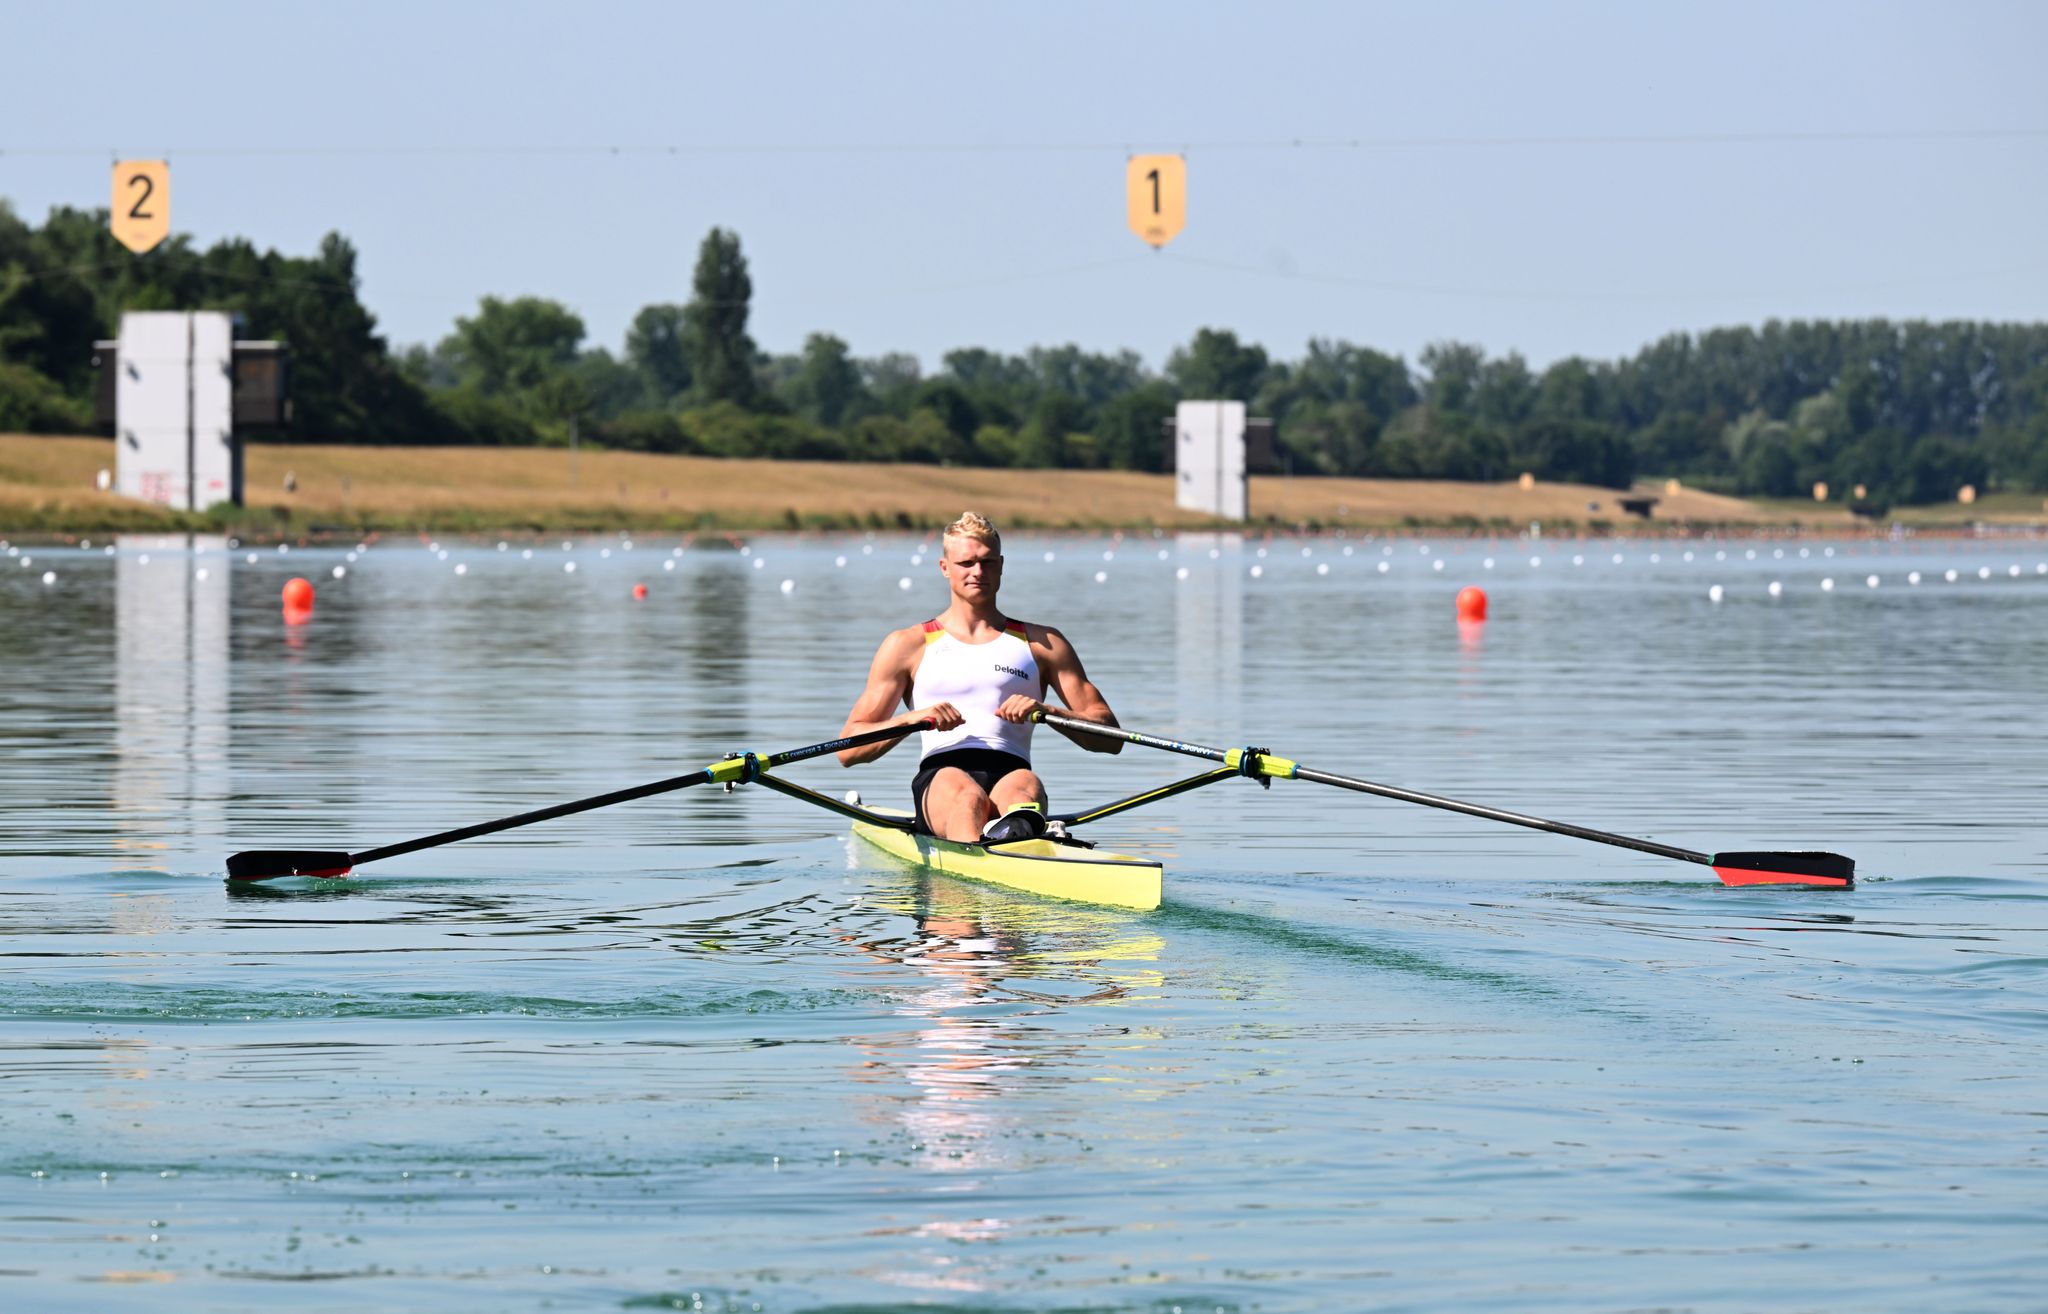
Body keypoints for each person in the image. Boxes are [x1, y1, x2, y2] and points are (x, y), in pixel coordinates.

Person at [838, 511, 1121, 843]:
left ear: (1001, 566)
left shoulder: (1043, 644)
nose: (978, 572)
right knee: (967, 796)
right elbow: (848, 749)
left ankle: (1011, 839)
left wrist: (1048, 711)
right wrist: (915, 719)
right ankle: (994, 851)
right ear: (945, 567)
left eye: (987, 562)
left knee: (1025, 785)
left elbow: (1111, 737)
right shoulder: (907, 645)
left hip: (1011, 774)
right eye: (966, 563)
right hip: (941, 780)